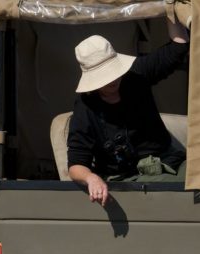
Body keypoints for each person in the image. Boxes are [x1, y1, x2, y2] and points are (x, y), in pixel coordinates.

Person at [67, 20, 190, 206]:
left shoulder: (136, 75)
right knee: (177, 192)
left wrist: (171, 10)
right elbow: (76, 164)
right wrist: (92, 178)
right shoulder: (85, 107)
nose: (113, 80)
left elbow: (177, 49)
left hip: (168, 164)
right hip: (126, 180)